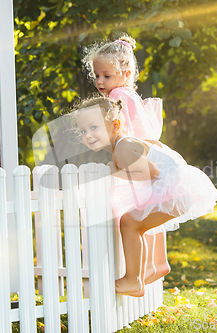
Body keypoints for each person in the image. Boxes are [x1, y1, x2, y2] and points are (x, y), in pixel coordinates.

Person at [73, 96, 217, 296]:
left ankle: (133, 280)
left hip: (174, 188)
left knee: (130, 223)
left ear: (115, 125)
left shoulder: (123, 148)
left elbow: (151, 172)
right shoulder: (127, 143)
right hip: (179, 186)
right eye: (83, 131)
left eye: (94, 128)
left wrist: (113, 172)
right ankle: (138, 277)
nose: (88, 135)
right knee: (135, 225)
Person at [83, 34, 166, 287]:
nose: (99, 81)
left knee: (132, 218)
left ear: (126, 73)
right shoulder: (129, 93)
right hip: (144, 156)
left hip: (134, 160)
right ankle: (155, 263)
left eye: (106, 76)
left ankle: (139, 272)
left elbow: (121, 129)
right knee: (148, 213)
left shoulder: (117, 95)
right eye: (97, 75)